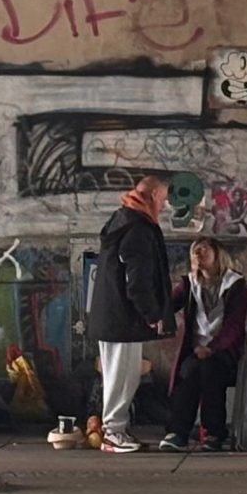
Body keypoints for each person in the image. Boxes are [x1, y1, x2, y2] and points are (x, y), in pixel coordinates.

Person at [90, 176, 175, 454]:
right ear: (151, 196)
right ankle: (113, 432)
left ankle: (117, 429)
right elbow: (137, 278)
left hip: (116, 317)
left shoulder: (123, 221)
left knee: (123, 375)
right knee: (122, 376)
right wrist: (151, 313)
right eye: (162, 200)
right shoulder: (138, 228)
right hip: (123, 319)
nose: (163, 206)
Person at [161, 239, 247, 451]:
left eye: (203, 250)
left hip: (225, 351)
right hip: (196, 351)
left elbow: (234, 325)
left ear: (217, 254)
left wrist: (213, 348)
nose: (198, 256)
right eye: (194, 252)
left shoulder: (235, 284)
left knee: (211, 369)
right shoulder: (190, 284)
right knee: (189, 370)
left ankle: (214, 432)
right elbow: (168, 306)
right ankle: (178, 431)